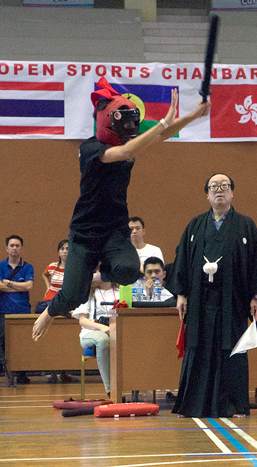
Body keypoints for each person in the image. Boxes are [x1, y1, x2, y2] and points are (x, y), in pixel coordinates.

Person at [32, 78, 210, 341]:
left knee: (128, 272)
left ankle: (97, 270)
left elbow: (162, 135)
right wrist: (162, 121)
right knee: (73, 296)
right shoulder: (91, 148)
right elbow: (126, 151)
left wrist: (193, 115)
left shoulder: (130, 143)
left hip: (115, 231)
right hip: (84, 233)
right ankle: (49, 312)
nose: (128, 127)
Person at [169, 173, 257, 418]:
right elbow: (182, 259)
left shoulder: (246, 225)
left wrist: (255, 296)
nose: (219, 190)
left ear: (232, 193)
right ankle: (192, 404)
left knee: (232, 349)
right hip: (200, 299)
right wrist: (181, 294)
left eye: (224, 186)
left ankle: (233, 404)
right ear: (207, 194)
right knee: (198, 348)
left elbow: (256, 261)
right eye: (213, 187)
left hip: (232, 299)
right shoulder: (195, 225)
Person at [0, 235, 34, 384]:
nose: (14, 248)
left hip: (23, 310)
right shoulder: (0, 266)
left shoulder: (28, 267)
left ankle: (21, 373)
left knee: (22, 343)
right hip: (4, 309)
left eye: (17, 245)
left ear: (21, 249)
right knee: (1, 341)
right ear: (7, 248)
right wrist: (19, 286)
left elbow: (29, 286)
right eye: (12, 245)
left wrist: (9, 283)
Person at [71, 281, 119, 397]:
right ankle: (110, 390)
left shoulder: (120, 292)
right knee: (103, 340)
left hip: (115, 331)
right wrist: (102, 327)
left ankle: (134, 388)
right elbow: (83, 321)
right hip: (91, 332)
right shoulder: (88, 294)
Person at [41, 239, 74, 384]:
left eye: (68, 248)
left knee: (65, 337)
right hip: (50, 300)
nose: (65, 251)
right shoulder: (52, 266)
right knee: (51, 337)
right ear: (58, 251)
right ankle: (52, 371)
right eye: (62, 249)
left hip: (66, 300)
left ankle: (66, 371)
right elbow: (44, 274)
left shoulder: (74, 267)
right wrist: (48, 285)